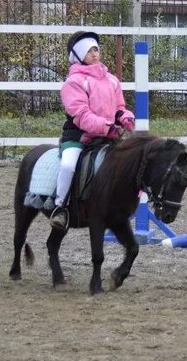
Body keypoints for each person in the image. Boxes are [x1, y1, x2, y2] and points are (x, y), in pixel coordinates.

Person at [50, 31, 135, 229]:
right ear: (78, 55)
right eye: (89, 51)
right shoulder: (73, 83)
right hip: (79, 137)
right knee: (68, 165)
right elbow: (82, 115)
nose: (95, 54)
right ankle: (60, 206)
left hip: (108, 135)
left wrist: (125, 118)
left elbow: (119, 107)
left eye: (96, 49)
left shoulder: (112, 80)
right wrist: (108, 128)